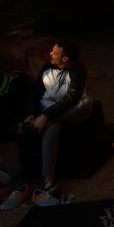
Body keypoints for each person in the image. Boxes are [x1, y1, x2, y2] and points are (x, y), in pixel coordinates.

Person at [23, 40, 93, 196]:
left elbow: (71, 98)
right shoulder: (46, 68)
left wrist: (45, 117)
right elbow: (36, 92)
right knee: (53, 127)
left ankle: (44, 122)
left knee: (87, 102)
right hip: (49, 110)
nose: (50, 54)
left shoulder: (78, 70)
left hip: (69, 111)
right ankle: (48, 179)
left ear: (65, 59)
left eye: (54, 52)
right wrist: (31, 114)